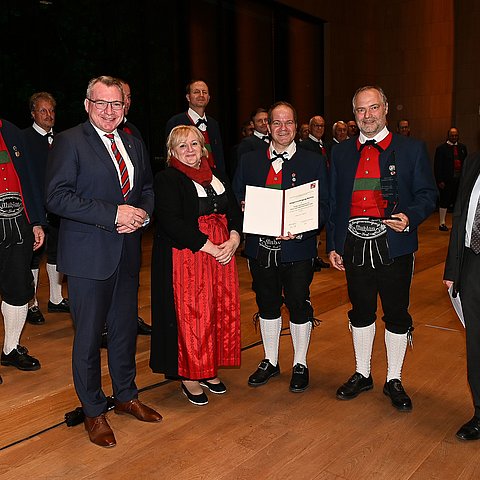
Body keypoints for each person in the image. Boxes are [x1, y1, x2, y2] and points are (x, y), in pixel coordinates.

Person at [45, 76, 162, 447]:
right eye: (102, 103)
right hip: (88, 258)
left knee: (125, 331)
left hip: (127, 253)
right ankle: (94, 411)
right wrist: (114, 214)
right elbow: (57, 198)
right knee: (89, 339)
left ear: (124, 106)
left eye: (117, 104)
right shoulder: (69, 141)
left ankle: (126, 396)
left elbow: (146, 189)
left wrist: (141, 213)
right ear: (87, 105)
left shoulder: (132, 141)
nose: (110, 111)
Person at [327, 85, 437, 411]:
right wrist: (334, 244)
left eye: (373, 108)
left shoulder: (412, 149)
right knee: (360, 311)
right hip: (353, 246)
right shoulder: (341, 152)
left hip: (395, 246)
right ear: (354, 115)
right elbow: (335, 203)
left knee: (396, 313)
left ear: (386, 108)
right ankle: (362, 373)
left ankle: (394, 378)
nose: (367, 116)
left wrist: (410, 217)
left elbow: (428, 194)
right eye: (361, 110)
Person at [233, 101, 329, 393]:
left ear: (296, 127)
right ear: (267, 127)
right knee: (267, 303)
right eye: (277, 123)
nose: (282, 128)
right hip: (261, 248)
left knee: (298, 302)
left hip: (298, 249)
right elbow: (236, 197)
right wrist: (243, 207)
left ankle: (300, 362)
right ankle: (270, 360)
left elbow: (324, 206)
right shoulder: (249, 160)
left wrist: (302, 229)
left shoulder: (312, 161)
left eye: (288, 123)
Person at [150, 125, 242, 406]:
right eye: (182, 146)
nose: (190, 151)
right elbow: (171, 222)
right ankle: (189, 373)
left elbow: (234, 210)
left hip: (221, 255)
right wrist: (211, 247)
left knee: (216, 310)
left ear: (203, 147)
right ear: (172, 152)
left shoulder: (217, 176)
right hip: (188, 257)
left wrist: (235, 238)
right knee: (193, 314)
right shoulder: (167, 179)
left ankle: (208, 367)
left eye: (194, 144)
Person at [0, 117, 45, 385]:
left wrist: (36, 221)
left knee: (18, 288)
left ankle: (10, 348)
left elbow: (29, 179)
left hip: (18, 224)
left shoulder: (13, 131)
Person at [23, 92, 69, 326]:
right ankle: (31, 304)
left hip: (58, 207)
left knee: (56, 252)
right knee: (33, 257)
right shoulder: (23, 139)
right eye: (43, 111)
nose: (49, 115)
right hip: (34, 208)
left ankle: (56, 298)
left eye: (51, 111)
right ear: (33, 113)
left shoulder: (61, 139)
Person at [444, 151, 480, 441]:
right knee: (476, 343)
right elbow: (460, 215)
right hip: (472, 263)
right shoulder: (473, 161)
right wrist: (453, 268)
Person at [165, 79, 226, 174]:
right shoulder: (176, 122)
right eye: (196, 92)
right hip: (186, 179)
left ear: (209, 97)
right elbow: (169, 156)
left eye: (204, 92)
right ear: (188, 97)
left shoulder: (214, 124)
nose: (201, 95)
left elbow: (219, 157)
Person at [298, 115, 330, 271]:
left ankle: (315, 256)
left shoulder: (323, 145)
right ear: (309, 128)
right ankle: (311, 258)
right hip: (310, 190)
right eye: (316, 126)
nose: (319, 129)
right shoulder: (304, 145)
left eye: (322, 126)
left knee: (319, 227)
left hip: (322, 188)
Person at [434, 127, 468, 231]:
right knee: (444, 201)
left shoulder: (462, 148)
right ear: (448, 136)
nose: (454, 137)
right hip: (446, 181)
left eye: (456, 135)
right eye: (452, 135)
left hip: (459, 180)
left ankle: (457, 224)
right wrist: (439, 180)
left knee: (458, 202)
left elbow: (466, 164)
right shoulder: (441, 149)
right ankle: (442, 223)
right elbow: (437, 166)